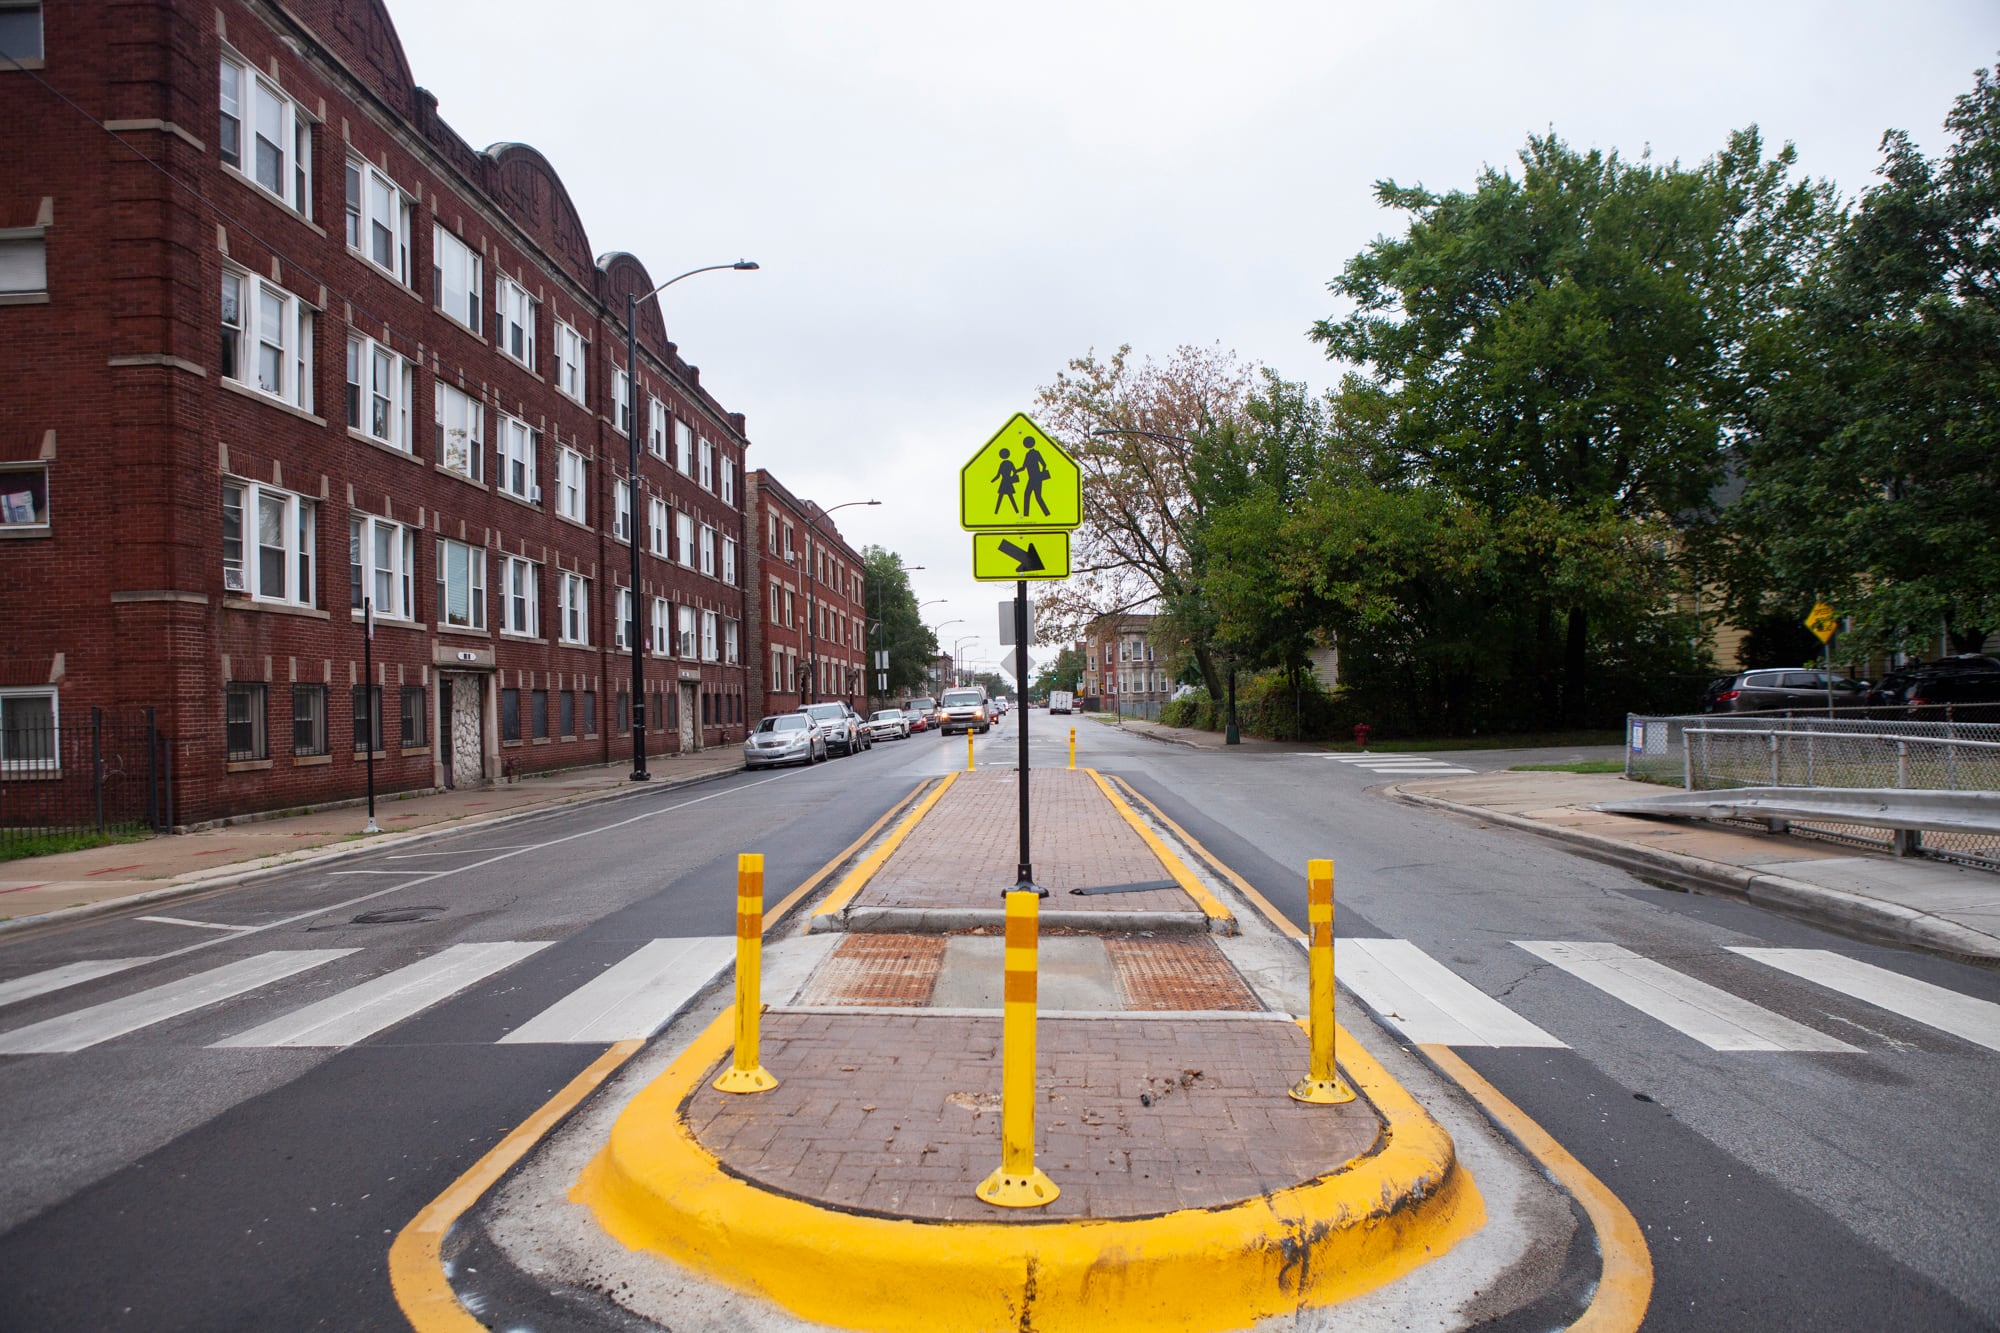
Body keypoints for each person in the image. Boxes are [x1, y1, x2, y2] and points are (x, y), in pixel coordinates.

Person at [1020, 436, 1052, 518]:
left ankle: (1046, 513)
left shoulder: (1033, 453)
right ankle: (1027, 515)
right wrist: (1015, 471)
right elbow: (1024, 467)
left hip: (1035, 478)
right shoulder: (1030, 454)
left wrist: (1040, 474)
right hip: (1033, 478)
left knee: (1034, 496)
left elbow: (1043, 464)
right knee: (1030, 495)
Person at [991, 448, 1021, 515]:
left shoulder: (1002, 464)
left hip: (1004, 481)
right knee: (1008, 497)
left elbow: (998, 475)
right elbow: (1015, 472)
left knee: (1002, 497)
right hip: (1008, 482)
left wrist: (992, 481)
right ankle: (1016, 511)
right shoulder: (1009, 463)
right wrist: (991, 481)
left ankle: (996, 512)